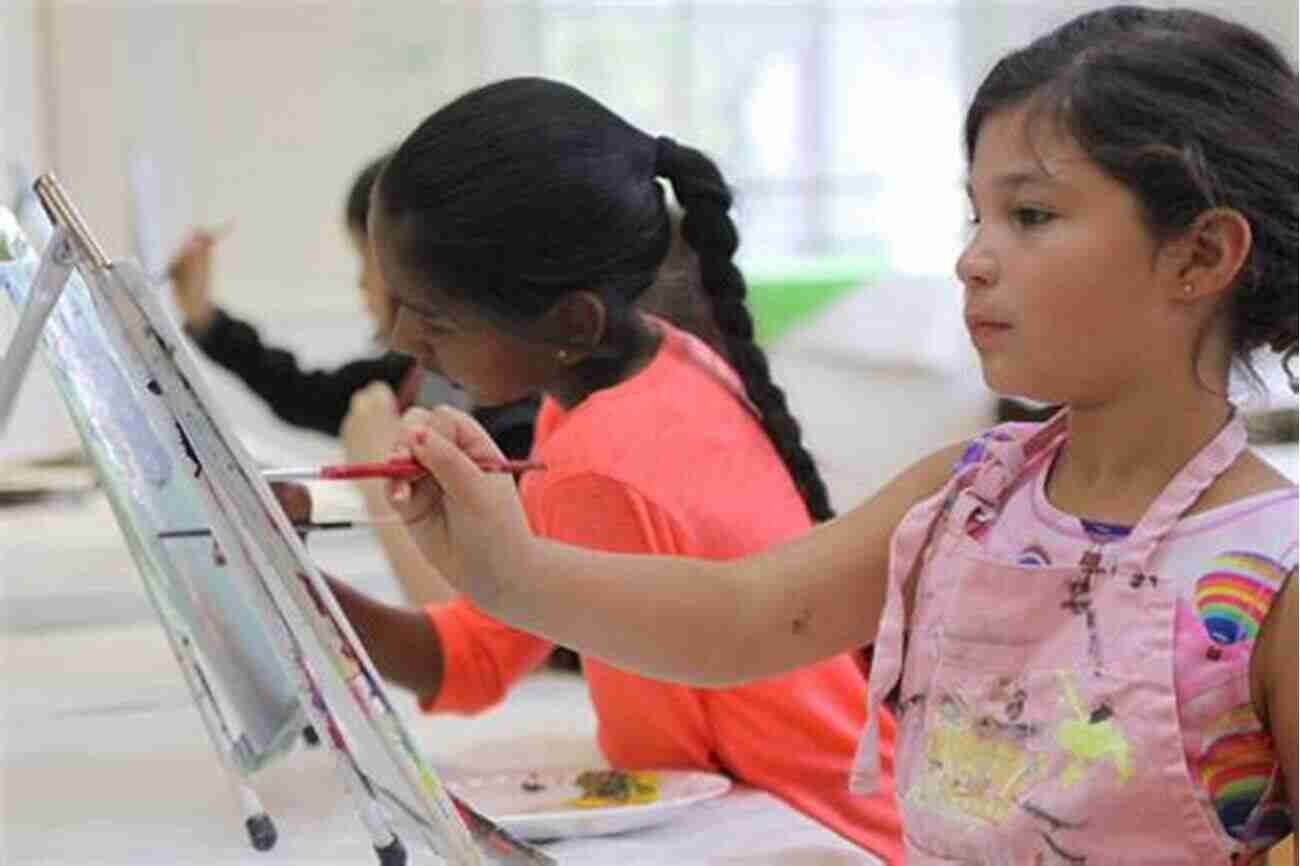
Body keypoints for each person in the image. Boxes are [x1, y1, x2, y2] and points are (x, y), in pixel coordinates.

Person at [385, 10, 1298, 864]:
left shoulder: (1275, 572)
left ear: (1201, 256)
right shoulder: (968, 492)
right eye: (975, 214)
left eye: (1031, 216)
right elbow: (740, 617)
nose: (972, 259)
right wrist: (499, 568)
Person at [316, 77, 904, 860]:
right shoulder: (648, 373)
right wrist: (308, 594)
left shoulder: (601, 471)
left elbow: (660, 768)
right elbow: (480, 651)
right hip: (847, 811)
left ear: (569, 321)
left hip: (822, 837)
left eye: (430, 318)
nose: (399, 339)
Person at [166, 155, 538, 604]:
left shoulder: (516, 420)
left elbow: (465, 616)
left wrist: (381, 465)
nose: (360, 283)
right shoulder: (415, 375)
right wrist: (205, 318)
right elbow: (301, 393)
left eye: (367, 260)